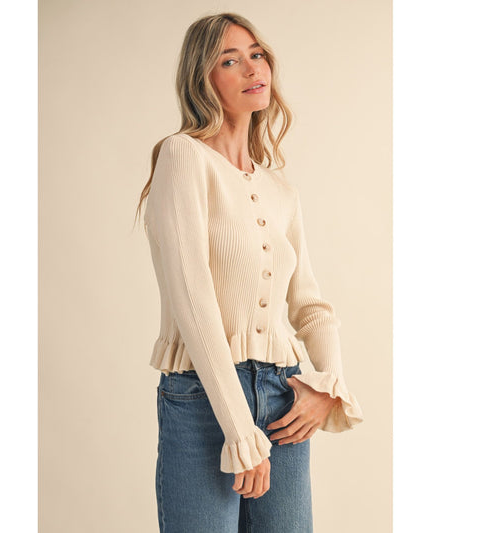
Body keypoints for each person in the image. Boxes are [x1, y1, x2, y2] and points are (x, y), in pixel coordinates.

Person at [134, 12, 364, 533]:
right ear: (202, 79)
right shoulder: (182, 156)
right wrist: (239, 430)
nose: (251, 68)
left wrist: (328, 385)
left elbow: (310, 306)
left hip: (283, 397)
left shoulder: (282, 191)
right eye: (229, 60)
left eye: (256, 55)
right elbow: (193, 299)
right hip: (203, 397)